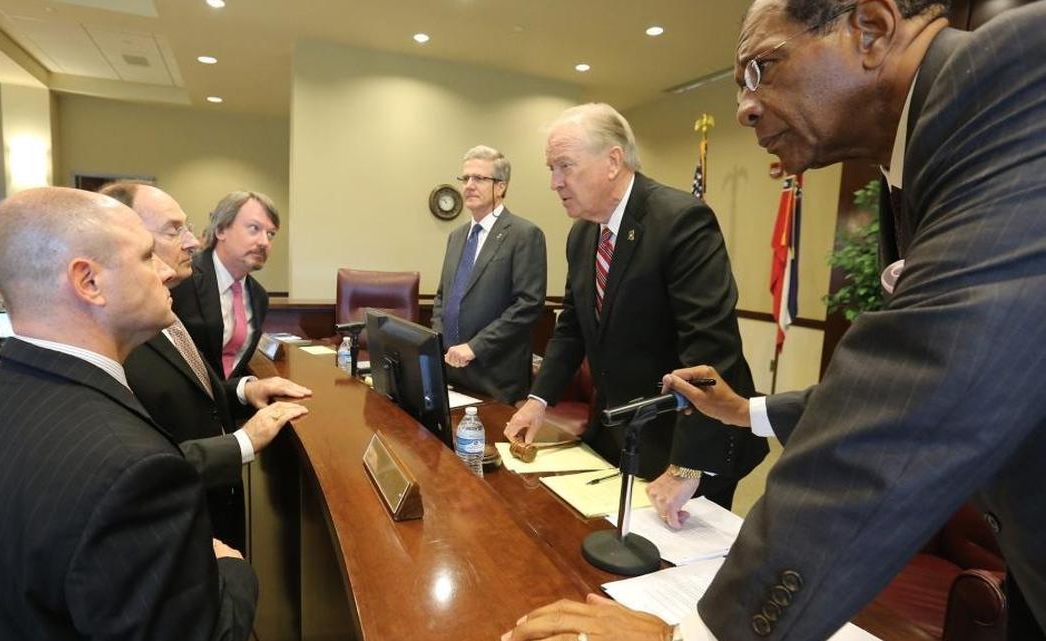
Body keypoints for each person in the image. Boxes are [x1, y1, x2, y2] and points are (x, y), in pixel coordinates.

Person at [504, 2, 1046, 640]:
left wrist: (697, 636)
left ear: (871, 30)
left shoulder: (1015, 80)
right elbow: (918, 377)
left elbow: (917, 384)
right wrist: (748, 411)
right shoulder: (916, 160)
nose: (744, 107)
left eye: (761, 69)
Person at [0, 187, 257, 640]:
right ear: (88, 281)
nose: (167, 271)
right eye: (147, 256)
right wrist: (231, 569)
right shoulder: (133, 469)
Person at [504, 103, 767, 514]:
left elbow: (711, 349)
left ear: (613, 161)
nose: (555, 182)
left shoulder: (681, 220)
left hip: (686, 439)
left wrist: (688, 464)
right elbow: (572, 328)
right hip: (619, 433)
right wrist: (538, 400)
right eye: (551, 169)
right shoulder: (582, 235)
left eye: (565, 166)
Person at [101, 181, 311, 552]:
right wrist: (242, 441)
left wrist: (246, 389)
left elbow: (191, 384)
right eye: (173, 230)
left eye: (271, 233)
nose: (191, 243)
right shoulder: (122, 329)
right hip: (170, 520)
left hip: (210, 492)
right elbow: (134, 463)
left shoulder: (247, 296)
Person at [430, 145, 547, 404]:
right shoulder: (456, 236)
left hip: (494, 377)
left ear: (500, 186)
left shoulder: (524, 234)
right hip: (450, 370)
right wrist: (437, 342)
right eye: (465, 178)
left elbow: (527, 306)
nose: (469, 185)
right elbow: (442, 297)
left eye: (479, 178)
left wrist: (475, 347)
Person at [171, 191, 279, 380]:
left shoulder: (259, 296)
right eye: (254, 228)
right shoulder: (183, 279)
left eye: (270, 234)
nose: (264, 242)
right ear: (221, 230)